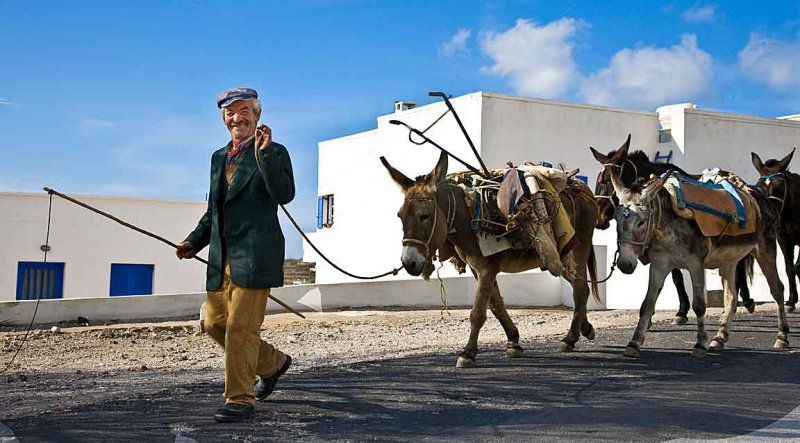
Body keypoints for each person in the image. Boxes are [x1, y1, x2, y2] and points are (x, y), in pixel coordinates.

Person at [176, 87, 295, 423]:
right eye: (230, 113)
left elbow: (284, 194)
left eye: (244, 111)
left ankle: (239, 399)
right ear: (223, 119)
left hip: (256, 255)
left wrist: (266, 155)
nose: (237, 118)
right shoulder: (218, 158)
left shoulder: (275, 151)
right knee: (214, 323)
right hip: (222, 256)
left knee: (241, 329)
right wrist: (194, 241)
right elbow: (214, 210)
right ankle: (272, 363)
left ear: (257, 115)